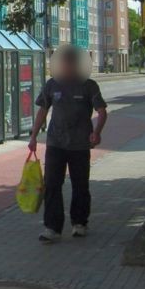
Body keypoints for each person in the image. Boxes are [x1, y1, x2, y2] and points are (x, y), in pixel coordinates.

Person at [28, 45, 108, 243]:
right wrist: (33, 136)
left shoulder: (89, 86)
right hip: (56, 143)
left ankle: (79, 222)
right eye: (64, 63)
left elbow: (102, 111)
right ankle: (52, 227)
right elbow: (42, 111)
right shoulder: (52, 85)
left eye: (71, 63)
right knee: (52, 184)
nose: (67, 66)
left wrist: (96, 133)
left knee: (80, 185)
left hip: (80, 144)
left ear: (78, 65)